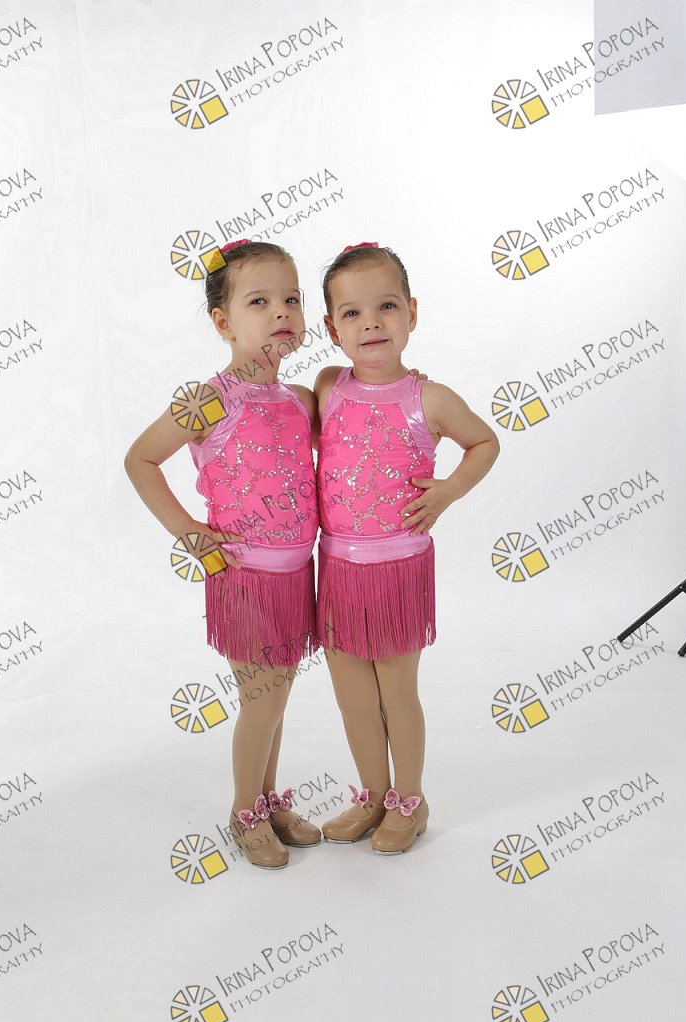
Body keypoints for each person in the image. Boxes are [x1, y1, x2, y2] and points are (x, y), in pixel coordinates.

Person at [124, 239, 326, 871]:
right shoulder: (209, 399)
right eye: (259, 301)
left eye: (291, 299)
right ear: (223, 322)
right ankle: (245, 812)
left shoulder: (299, 400)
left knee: (276, 698)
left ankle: (266, 799)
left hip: (296, 571)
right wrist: (188, 530)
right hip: (243, 574)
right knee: (263, 699)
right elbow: (140, 458)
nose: (281, 312)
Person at [314, 241, 501, 854]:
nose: (371, 322)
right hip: (338, 566)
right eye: (352, 313)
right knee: (352, 694)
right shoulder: (327, 387)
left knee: (397, 692)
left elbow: (485, 443)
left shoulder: (431, 398)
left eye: (387, 306)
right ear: (332, 329)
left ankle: (410, 801)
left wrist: (447, 492)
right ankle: (372, 794)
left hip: (399, 569)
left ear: (412, 313)